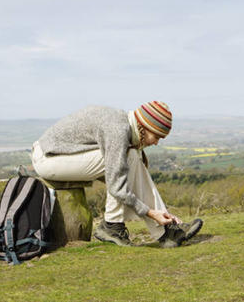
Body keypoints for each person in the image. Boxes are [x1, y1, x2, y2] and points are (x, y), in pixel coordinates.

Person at [31, 101, 203, 247]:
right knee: (128, 157)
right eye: (156, 136)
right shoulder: (118, 130)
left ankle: (166, 230)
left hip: (58, 156)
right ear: (145, 127)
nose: (156, 143)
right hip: (47, 159)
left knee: (130, 157)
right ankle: (112, 227)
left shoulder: (123, 125)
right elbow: (117, 187)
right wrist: (149, 212)